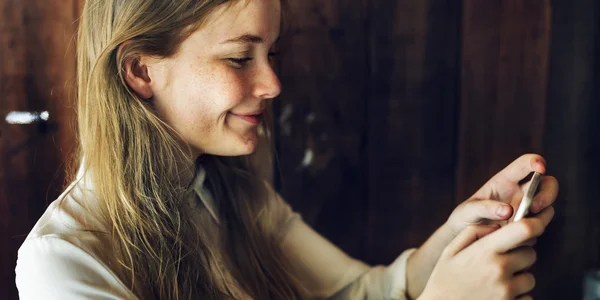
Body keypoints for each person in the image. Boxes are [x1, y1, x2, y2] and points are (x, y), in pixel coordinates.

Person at [14, 0, 559, 299]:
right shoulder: (64, 260)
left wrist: (460, 235)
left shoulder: (230, 193)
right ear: (140, 70)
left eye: (270, 52)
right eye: (238, 58)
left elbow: (364, 292)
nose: (273, 83)